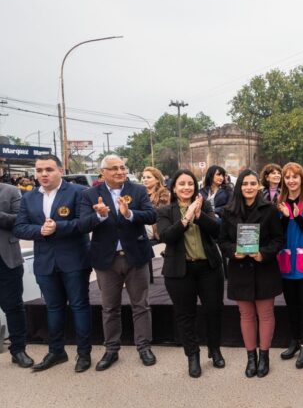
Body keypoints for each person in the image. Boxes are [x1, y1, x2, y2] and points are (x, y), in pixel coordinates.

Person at [13, 154, 92, 372]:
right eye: (39, 171)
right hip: (45, 262)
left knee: (79, 306)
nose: (43, 174)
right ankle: (56, 352)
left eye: (48, 169)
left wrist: (59, 226)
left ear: (60, 170)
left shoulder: (77, 192)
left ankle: (84, 354)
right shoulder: (29, 197)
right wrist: (39, 230)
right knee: (53, 308)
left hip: (74, 259)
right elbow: (19, 227)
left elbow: (85, 223)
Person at [79, 154, 157, 371]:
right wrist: (101, 216)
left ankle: (144, 347)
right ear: (103, 172)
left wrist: (130, 213)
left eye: (123, 167)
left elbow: (151, 216)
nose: (120, 172)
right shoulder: (90, 194)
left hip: (136, 257)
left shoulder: (138, 190)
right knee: (109, 307)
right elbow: (83, 224)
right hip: (106, 260)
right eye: (114, 168)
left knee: (140, 304)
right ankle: (111, 349)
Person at [157, 170, 225, 378]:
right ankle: (192, 355)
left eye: (190, 184)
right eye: (181, 184)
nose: (186, 187)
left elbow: (217, 231)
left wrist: (200, 215)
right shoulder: (165, 211)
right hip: (180, 271)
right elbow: (167, 236)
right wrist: (186, 218)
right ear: (174, 188)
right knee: (185, 315)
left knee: (213, 310)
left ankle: (214, 349)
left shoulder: (204, 205)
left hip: (209, 268)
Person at [219, 169, 284, 378]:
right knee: (246, 315)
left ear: (259, 185)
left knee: (265, 315)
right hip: (239, 269)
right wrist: (233, 252)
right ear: (239, 186)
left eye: (253, 183)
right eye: (245, 183)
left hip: (264, 268)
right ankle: (251, 357)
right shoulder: (228, 211)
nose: (249, 187)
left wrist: (263, 254)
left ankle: (264, 356)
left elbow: (278, 240)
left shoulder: (270, 210)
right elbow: (222, 241)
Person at [276, 162, 303, 369]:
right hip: (285, 262)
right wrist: (285, 218)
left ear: (302, 179)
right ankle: (293, 340)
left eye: (295, 176)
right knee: (290, 304)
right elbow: (276, 232)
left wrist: (296, 216)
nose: (291, 180)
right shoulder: (279, 201)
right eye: (287, 177)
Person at [0, 182, 33, 368]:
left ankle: (18, 350)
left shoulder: (10, 191)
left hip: (6, 260)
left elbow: (19, 220)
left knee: (13, 307)